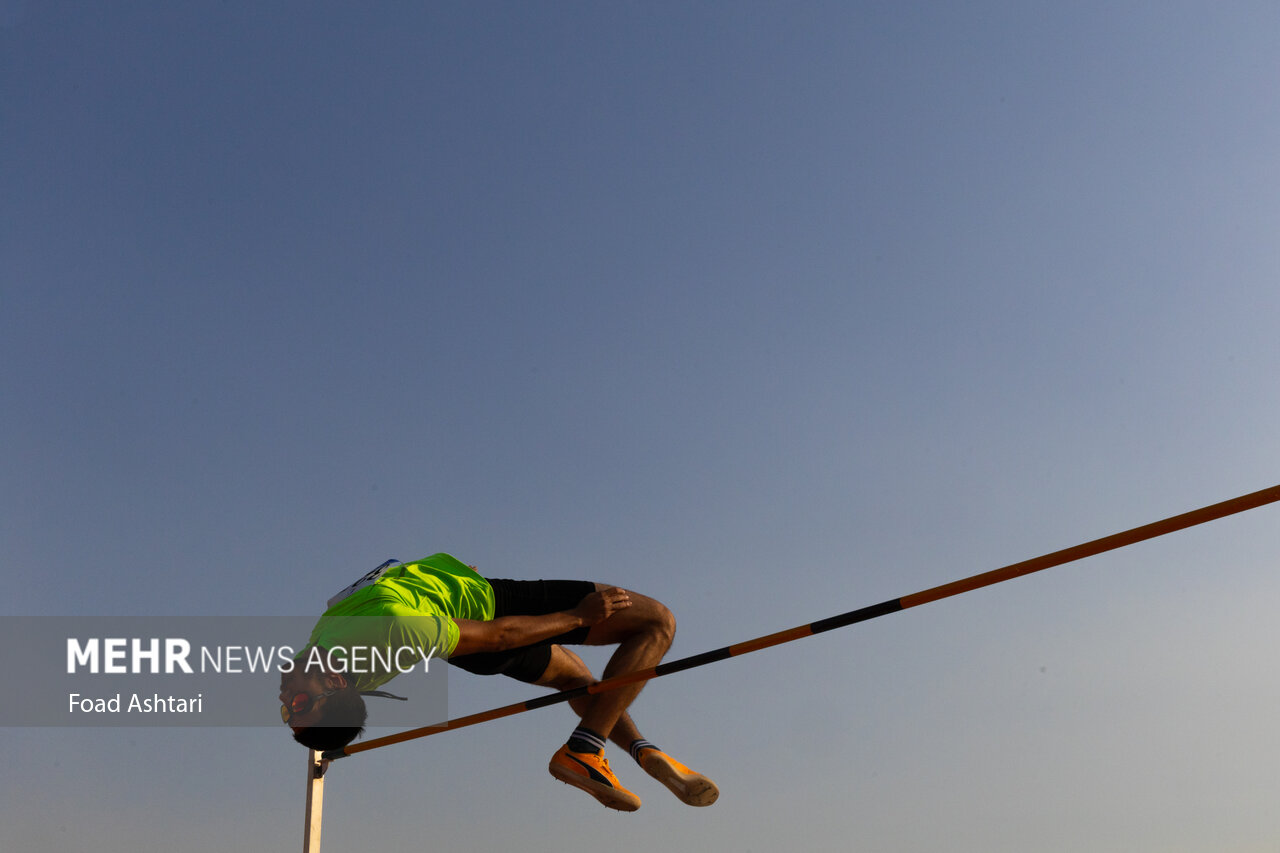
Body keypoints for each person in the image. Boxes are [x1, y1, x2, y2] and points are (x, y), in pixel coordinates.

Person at [279, 553, 717, 811]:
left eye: (287, 711)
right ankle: (585, 749)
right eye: (299, 704)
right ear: (335, 684)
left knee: (578, 679)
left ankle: (643, 752)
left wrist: (440, 578)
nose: (285, 698)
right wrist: (578, 616)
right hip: (494, 615)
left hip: (469, 644)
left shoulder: (313, 658)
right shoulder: (393, 629)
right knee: (655, 622)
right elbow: (498, 635)